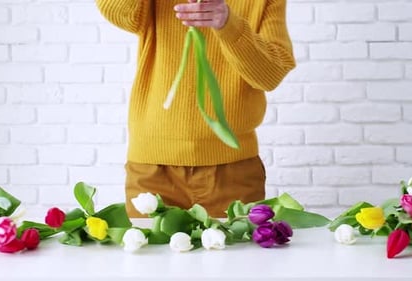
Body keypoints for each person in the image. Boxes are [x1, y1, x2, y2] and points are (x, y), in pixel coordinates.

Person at [95, 0, 296, 218]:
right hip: (152, 170)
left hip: (233, 172)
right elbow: (115, 10)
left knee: (237, 252)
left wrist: (228, 24)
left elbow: (271, 74)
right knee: (148, 251)